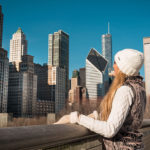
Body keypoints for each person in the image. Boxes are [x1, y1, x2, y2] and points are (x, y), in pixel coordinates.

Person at [55, 49, 146, 150]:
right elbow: (126, 119)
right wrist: (96, 116)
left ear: (122, 68)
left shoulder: (125, 90)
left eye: (116, 63)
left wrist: (78, 118)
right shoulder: (140, 89)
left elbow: (110, 130)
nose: (114, 66)